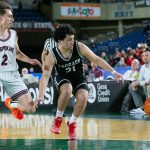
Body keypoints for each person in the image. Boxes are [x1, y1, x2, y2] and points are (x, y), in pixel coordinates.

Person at [36, 24, 123, 140]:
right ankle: (58, 118)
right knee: (67, 90)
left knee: (83, 97)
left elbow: (96, 59)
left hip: (78, 77)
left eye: (73, 38)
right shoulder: (52, 54)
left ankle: (72, 123)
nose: (72, 41)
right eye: (69, 39)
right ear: (60, 41)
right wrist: (41, 95)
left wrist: (113, 72)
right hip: (62, 77)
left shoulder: (79, 46)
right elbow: (45, 76)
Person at [0, 1, 41, 120]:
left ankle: (11, 103)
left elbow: (17, 53)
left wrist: (29, 60)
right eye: (10, 16)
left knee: (31, 108)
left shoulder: (13, 34)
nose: (13, 19)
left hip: (12, 74)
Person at [129, 48, 150, 114]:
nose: (145, 57)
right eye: (143, 56)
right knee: (131, 86)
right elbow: (140, 79)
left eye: (147, 55)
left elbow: (148, 81)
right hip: (145, 88)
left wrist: (139, 83)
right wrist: (135, 83)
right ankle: (141, 107)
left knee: (147, 85)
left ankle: (148, 107)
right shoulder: (143, 67)